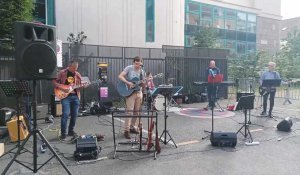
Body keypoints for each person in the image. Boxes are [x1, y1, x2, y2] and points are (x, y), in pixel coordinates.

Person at [52, 60, 83, 141]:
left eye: (76, 68)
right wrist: (62, 88)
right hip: (66, 97)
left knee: (74, 115)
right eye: (74, 67)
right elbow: (54, 81)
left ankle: (70, 131)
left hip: (75, 97)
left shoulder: (77, 74)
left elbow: (79, 85)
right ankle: (63, 133)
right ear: (70, 66)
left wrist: (83, 86)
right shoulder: (62, 72)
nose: (75, 69)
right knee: (65, 114)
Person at [118, 56, 146, 139]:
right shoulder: (129, 68)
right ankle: (126, 131)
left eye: (139, 64)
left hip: (139, 93)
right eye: (136, 63)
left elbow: (142, 84)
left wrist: (144, 83)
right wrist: (128, 83)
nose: (137, 65)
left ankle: (132, 127)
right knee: (129, 112)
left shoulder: (142, 72)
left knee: (137, 112)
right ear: (133, 62)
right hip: (130, 93)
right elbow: (120, 76)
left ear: (141, 63)